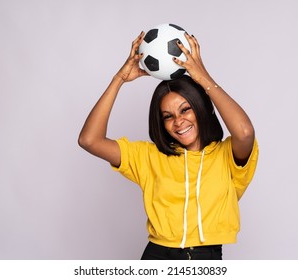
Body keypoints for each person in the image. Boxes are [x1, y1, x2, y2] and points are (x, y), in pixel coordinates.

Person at [78, 31, 259, 260]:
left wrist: (203, 77)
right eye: (167, 116)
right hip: (155, 256)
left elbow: (245, 132)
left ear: (200, 108)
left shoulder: (226, 155)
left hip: (205, 258)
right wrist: (119, 79)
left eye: (185, 109)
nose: (178, 122)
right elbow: (89, 140)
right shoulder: (148, 156)